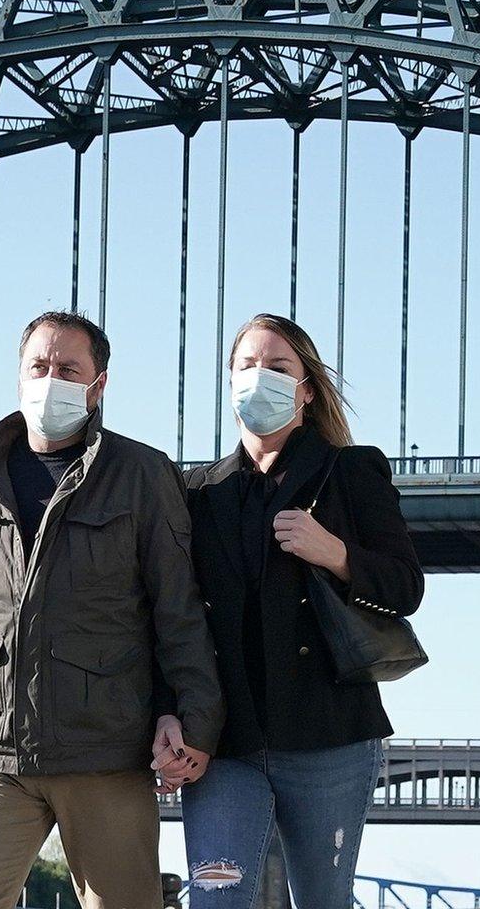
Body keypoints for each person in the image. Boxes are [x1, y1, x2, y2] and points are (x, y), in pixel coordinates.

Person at [0, 311, 224, 909]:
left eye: (67, 368)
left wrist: (194, 719)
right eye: (39, 366)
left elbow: (178, 611)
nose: (50, 379)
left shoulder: (141, 475)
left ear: (98, 384)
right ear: (19, 376)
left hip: (104, 751)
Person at [179, 314, 425, 907]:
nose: (260, 378)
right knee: (216, 898)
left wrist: (335, 554)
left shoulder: (352, 470)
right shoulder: (197, 492)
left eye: (279, 367)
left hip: (328, 737)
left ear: (307, 388)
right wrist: (170, 712)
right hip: (225, 741)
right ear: (229, 381)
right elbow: (176, 618)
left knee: (321, 899)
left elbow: (405, 587)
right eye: (248, 366)